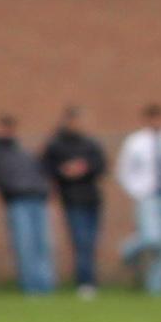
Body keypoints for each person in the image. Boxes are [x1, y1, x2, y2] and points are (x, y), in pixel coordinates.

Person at [0, 115, 52, 294]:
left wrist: (43, 188)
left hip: (37, 199)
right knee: (24, 243)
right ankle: (30, 286)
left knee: (42, 243)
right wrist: (9, 192)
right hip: (17, 200)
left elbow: (39, 172)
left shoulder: (22, 151)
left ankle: (44, 285)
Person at [41, 106, 106, 295]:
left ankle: (90, 281)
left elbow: (101, 165)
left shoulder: (90, 144)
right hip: (71, 199)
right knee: (81, 241)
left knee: (91, 242)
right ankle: (84, 282)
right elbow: (46, 167)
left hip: (92, 199)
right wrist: (65, 171)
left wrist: (85, 168)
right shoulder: (56, 145)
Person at [116, 102, 161, 294]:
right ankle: (127, 250)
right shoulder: (135, 142)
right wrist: (138, 191)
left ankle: (157, 288)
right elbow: (124, 171)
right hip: (147, 196)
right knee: (152, 238)